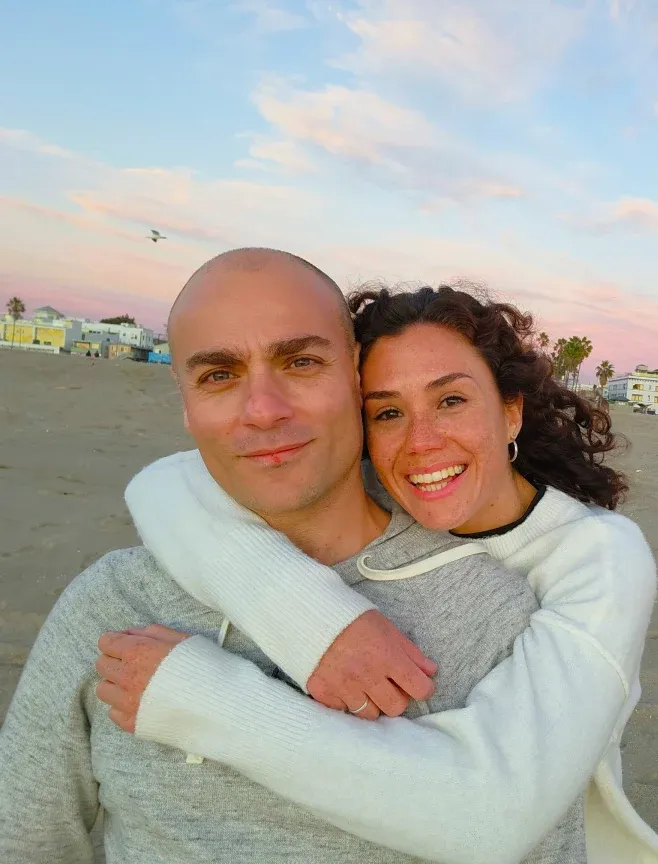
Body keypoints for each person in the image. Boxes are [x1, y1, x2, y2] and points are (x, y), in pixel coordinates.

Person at [0, 250, 586, 863]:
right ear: (186, 405)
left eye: (301, 361)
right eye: (219, 376)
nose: (263, 409)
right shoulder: (114, 605)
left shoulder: (496, 617)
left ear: (359, 377)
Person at [103, 283, 658, 863]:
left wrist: (204, 702)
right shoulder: (378, 492)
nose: (421, 443)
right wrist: (308, 619)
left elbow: (493, 815)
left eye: (451, 400)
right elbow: (167, 484)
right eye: (387, 412)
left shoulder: (600, 556)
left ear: (510, 411)